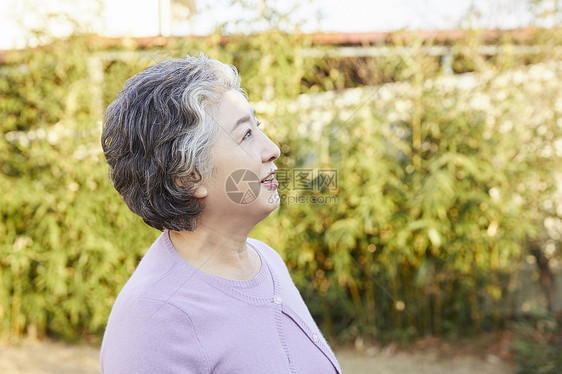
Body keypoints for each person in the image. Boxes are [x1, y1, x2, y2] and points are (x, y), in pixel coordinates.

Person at [99, 53, 341, 373]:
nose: (272, 149)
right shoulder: (153, 317)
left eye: (259, 127)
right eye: (246, 135)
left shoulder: (267, 261)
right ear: (188, 177)